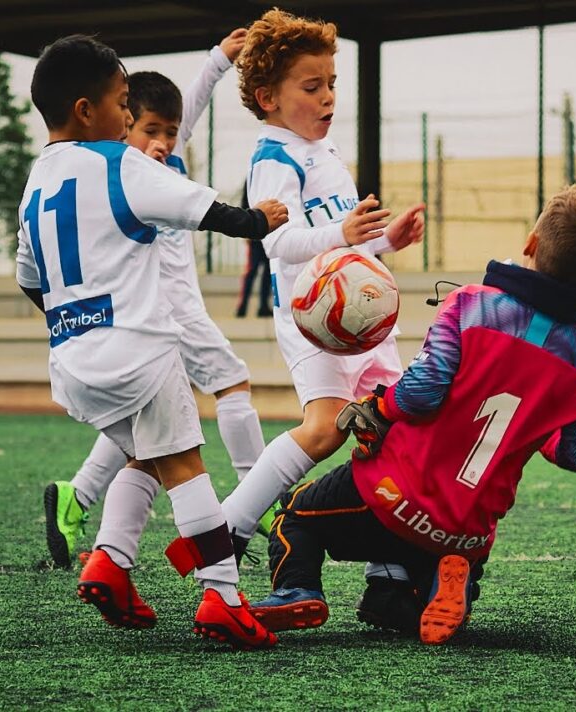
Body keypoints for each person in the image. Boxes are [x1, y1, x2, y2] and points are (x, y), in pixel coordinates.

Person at [246, 184, 576, 645]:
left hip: (392, 495)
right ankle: (434, 584)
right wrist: (534, 428)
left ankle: (296, 589)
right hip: (467, 529)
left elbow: (422, 392)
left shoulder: (472, 305)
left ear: (530, 243)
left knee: (294, 517)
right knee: (387, 609)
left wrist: (379, 405)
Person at [17, 34, 286, 649]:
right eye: (121, 102)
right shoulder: (119, 161)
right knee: (189, 468)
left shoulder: (36, 182)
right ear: (87, 110)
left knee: (146, 455)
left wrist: (76, 322)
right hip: (139, 348)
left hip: (72, 362)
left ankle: (110, 561)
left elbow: (30, 279)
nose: (127, 115)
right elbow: (211, 212)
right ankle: (222, 596)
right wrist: (260, 219)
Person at [197, 8, 425, 632]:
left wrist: (384, 242)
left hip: (364, 320)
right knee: (325, 431)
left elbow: (345, 246)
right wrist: (342, 231)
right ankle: (226, 533)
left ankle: (388, 578)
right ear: (268, 97)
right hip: (316, 320)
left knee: (392, 434)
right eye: (311, 85)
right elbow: (279, 242)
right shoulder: (273, 157)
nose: (327, 96)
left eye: (331, 82)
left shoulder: (324, 150)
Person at [235, 187, 274, 318]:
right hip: (257, 231)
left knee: (267, 272)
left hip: (269, 231)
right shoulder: (253, 174)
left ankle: (263, 306)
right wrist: (246, 229)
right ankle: (243, 306)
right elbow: (245, 202)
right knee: (252, 271)